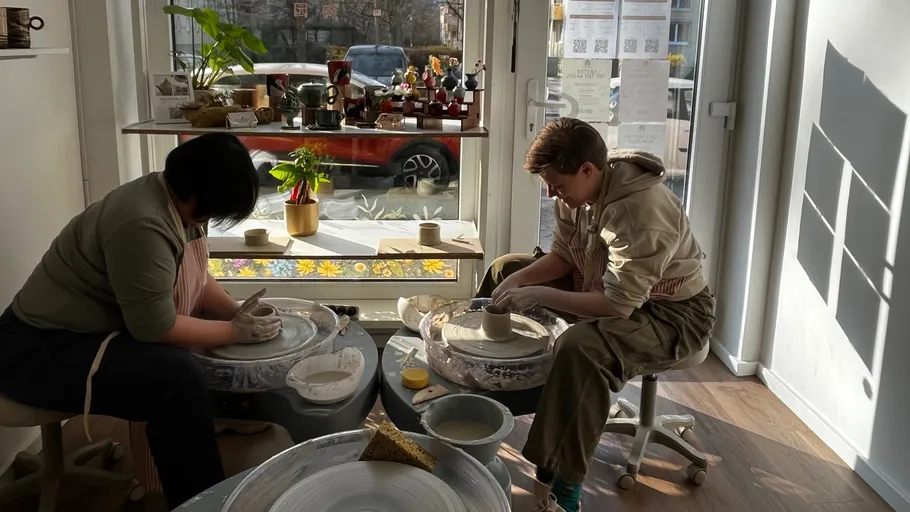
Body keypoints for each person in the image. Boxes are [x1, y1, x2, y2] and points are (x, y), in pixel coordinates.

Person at [0, 133, 281, 509]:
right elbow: (156, 328)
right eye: (212, 211)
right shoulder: (143, 223)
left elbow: (196, 274)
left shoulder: (169, 193)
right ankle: (201, 504)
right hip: (33, 353)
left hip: (68, 334)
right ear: (198, 196)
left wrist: (235, 311)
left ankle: (202, 470)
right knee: (177, 379)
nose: (209, 220)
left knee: (184, 369)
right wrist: (234, 331)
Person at [477, 118, 716, 512]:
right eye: (547, 184)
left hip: (674, 314)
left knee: (582, 347)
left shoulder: (640, 211)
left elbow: (618, 305)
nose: (551, 192)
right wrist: (519, 279)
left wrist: (535, 292)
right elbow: (566, 255)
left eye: (557, 184)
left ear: (587, 170)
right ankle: (486, 393)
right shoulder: (577, 188)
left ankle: (567, 486)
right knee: (503, 269)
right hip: (600, 281)